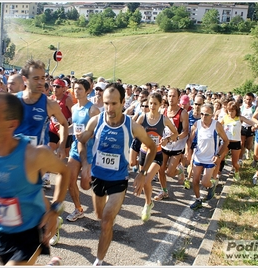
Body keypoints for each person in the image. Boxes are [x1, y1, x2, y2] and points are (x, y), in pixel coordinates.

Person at [0, 93, 70, 266]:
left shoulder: (34, 155)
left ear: (12, 124)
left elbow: (64, 171)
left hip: (32, 230)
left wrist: (55, 209)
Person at [78, 83, 157, 266]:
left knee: (106, 221)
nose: (109, 108)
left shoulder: (133, 126)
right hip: (97, 177)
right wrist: (84, 164)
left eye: (114, 103)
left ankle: (98, 260)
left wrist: (142, 172)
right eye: (106, 103)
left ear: (123, 102)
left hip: (118, 179)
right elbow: (82, 142)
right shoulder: (96, 121)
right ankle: (107, 227)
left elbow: (152, 147)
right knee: (99, 216)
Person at [14, 60, 69, 158]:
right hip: (16, 157)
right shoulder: (13, 100)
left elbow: (64, 123)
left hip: (38, 160)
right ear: (24, 79)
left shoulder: (50, 104)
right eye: (36, 78)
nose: (40, 82)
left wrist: (61, 146)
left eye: (43, 78)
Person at [136, 92, 178, 221]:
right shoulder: (143, 117)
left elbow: (176, 134)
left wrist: (167, 139)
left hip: (157, 155)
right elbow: (133, 130)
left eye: (155, 104)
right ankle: (148, 203)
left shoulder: (164, 119)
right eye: (150, 103)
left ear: (160, 105)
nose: (152, 106)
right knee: (144, 182)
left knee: (147, 179)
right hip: (143, 153)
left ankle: (147, 206)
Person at [64, 79, 100, 224]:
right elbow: (75, 126)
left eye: (80, 89)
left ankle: (98, 187)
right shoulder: (73, 108)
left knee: (85, 185)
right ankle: (78, 209)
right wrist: (64, 130)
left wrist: (87, 134)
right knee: (70, 181)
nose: (77, 91)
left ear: (87, 91)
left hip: (90, 152)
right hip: (75, 149)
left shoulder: (93, 110)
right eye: (75, 88)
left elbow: (98, 132)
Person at [186, 103, 229, 210]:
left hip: (210, 158)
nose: (203, 117)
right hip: (198, 157)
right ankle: (198, 200)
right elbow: (190, 139)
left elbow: (226, 141)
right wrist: (188, 151)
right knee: (195, 180)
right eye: (202, 114)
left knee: (205, 182)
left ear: (212, 114)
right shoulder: (197, 124)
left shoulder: (216, 125)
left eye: (206, 114)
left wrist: (218, 155)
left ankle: (211, 186)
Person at [156, 88, 189, 200]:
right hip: (164, 145)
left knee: (169, 173)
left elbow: (185, 131)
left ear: (178, 97)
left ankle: (180, 170)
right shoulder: (162, 111)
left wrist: (173, 138)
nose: (171, 98)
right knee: (160, 169)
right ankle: (164, 191)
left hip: (177, 146)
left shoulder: (183, 113)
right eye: (169, 96)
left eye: (174, 96)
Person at [218, 101, 256, 180]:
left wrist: (256, 125)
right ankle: (218, 174)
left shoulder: (239, 118)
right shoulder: (225, 118)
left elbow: (249, 122)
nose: (231, 113)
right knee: (219, 159)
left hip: (236, 143)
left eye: (232, 111)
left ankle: (236, 172)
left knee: (234, 163)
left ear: (236, 111)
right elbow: (217, 125)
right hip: (226, 142)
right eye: (229, 111)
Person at [48, 78, 74, 157]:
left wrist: (69, 125)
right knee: (49, 148)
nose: (55, 88)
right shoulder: (50, 99)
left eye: (58, 86)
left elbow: (74, 115)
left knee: (65, 153)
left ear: (63, 88)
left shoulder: (67, 100)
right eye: (54, 86)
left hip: (65, 129)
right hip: (53, 129)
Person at [240, 93, 256, 161]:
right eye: (247, 99)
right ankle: (242, 155)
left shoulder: (254, 108)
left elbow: (255, 117)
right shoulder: (242, 107)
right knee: (242, 143)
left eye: (250, 99)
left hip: (250, 127)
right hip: (243, 126)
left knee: (248, 144)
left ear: (253, 99)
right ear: (245, 99)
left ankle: (248, 150)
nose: (248, 101)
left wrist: (254, 125)